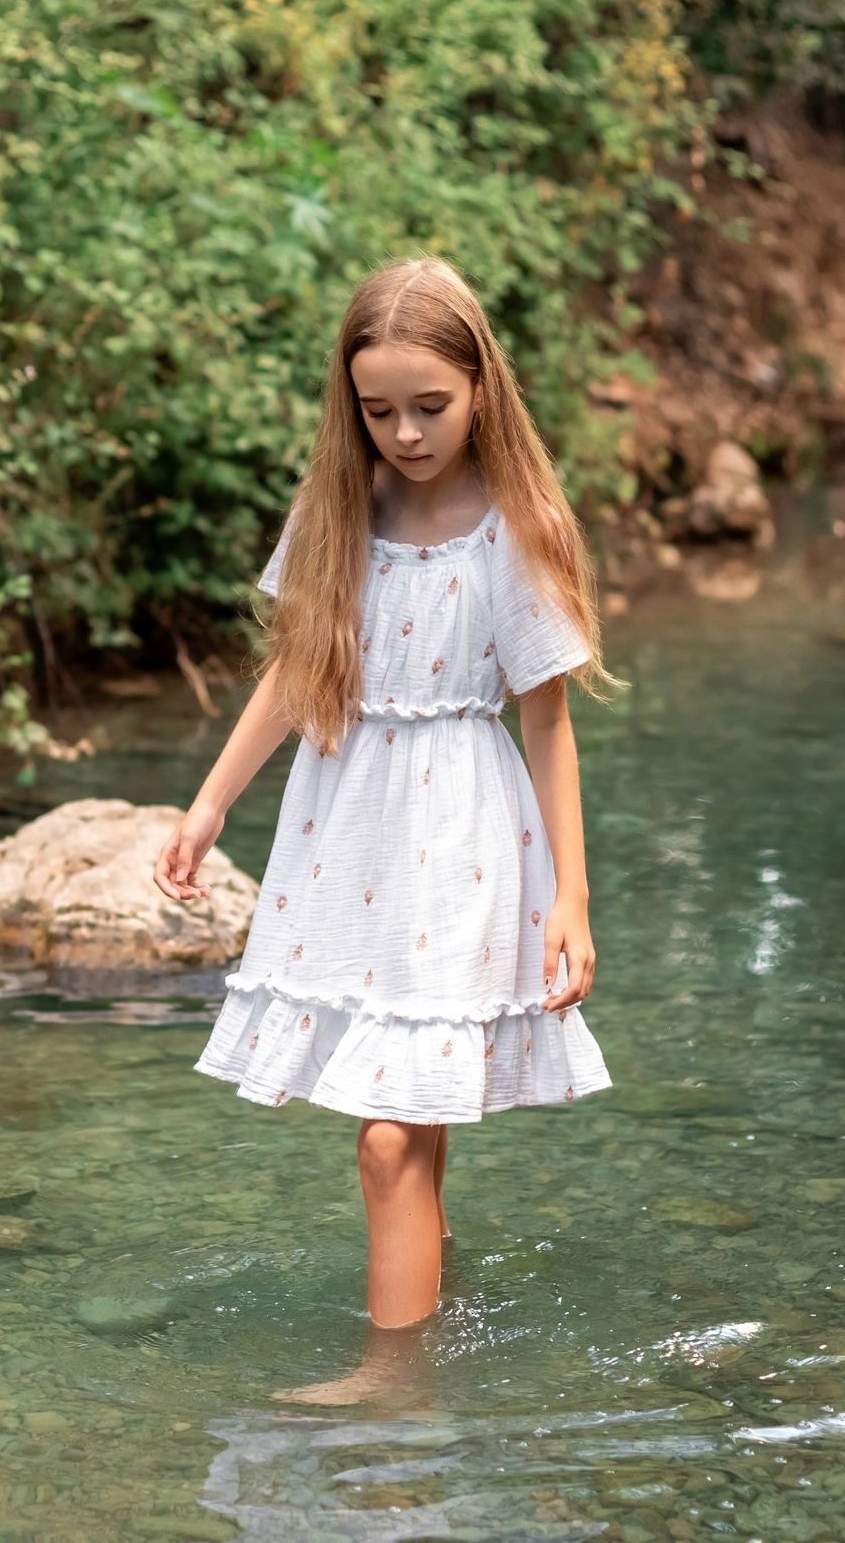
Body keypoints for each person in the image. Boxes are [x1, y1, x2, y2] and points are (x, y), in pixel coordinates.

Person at [152, 256, 618, 1397]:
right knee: (409, 1107)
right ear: (348, 403)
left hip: (463, 834)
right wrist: (211, 801)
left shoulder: (517, 523)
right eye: (378, 409)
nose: (405, 432)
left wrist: (572, 892)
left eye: (430, 406)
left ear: (481, 389)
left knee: (387, 1131)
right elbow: (292, 670)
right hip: (349, 831)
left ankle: (394, 1372)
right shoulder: (337, 508)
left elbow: (545, 717)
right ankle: (435, 1298)